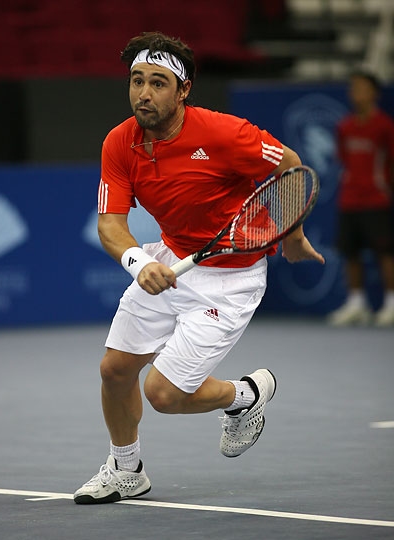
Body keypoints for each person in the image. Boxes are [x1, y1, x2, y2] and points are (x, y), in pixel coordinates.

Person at [73, 31, 325, 504]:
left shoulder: (226, 133)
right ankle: (126, 471)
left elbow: (290, 166)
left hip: (230, 282)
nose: (144, 93)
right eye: (137, 81)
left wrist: (291, 235)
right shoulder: (120, 142)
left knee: (163, 395)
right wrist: (139, 262)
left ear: (183, 90)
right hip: (171, 257)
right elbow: (110, 224)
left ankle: (245, 395)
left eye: (158, 83)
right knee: (115, 370)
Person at [328, 70, 394, 327]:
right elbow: (344, 160)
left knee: (386, 253)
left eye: (362, 88)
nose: (356, 93)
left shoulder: (385, 126)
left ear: (374, 93)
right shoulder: (344, 127)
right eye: (353, 88)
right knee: (350, 253)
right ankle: (357, 304)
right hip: (349, 200)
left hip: (377, 201)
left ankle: (391, 304)